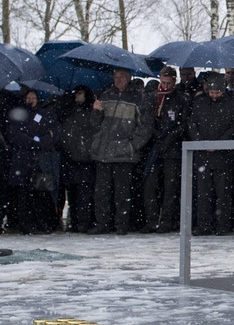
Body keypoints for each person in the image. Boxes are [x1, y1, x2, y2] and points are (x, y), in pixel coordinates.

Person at [89, 68, 154, 235]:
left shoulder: (139, 98)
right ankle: (103, 223)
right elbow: (95, 124)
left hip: (124, 154)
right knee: (101, 192)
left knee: (122, 193)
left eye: (122, 77)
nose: (118, 80)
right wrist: (95, 111)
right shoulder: (106, 95)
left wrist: (132, 146)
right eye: (116, 77)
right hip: (103, 152)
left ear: (129, 78)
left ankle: (121, 225)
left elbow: (145, 126)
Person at [141, 67, 191, 233]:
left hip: (172, 148)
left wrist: (169, 139)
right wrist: (154, 135)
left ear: (174, 81)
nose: (164, 85)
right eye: (162, 82)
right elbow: (146, 119)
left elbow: (183, 123)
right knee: (150, 186)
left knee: (170, 188)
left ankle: (166, 221)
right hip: (153, 147)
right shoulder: (151, 98)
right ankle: (151, 220)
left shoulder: (181, 99)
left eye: (168, 82)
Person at [187, 72, 234, 235]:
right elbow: (192, 124)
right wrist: (201, 141)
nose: (214, 96)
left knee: (223, 193)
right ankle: (204, 225)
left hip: (223, 155)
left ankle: (223, 225)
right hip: (203, 155)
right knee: (203, 193)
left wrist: (220, 143)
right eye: (212, 92)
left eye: (217, 92)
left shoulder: (231, 104)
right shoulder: (199, 103)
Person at [6, 87, 61, 234]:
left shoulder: (45, 114)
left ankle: (42, 223)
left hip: (40, 160)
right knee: (23, 194)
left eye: (33, 98)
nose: (31, 101)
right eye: (28, 98)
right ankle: (25, 225)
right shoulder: (17, 114)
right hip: (22, 159)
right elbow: (15, 134)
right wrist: (34, 140)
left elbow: (53, 133)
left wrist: (40, 140)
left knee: (40, 192)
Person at [59, 86, 96, 233]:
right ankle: (75, 221)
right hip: (72, 157)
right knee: (73, 193)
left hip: (85, 159)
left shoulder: (88, 113)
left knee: (84, 193)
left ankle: (83, 221)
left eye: (80, 93)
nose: (77, 96)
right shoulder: (70, 111)